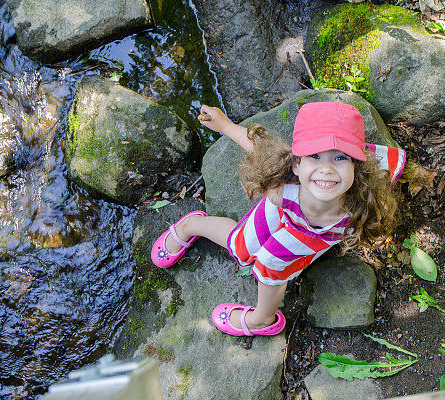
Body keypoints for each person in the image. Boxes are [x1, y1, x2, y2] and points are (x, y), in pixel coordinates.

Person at [150, 101, 405, 337]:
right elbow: (258, 149)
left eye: (340, 158)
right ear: (295, 165)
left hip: (315, 236)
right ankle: (193, 224)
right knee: (242, 244)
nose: (326, 168)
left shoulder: (360, 202)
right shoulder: (282, 187)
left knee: (270, 263)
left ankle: (262, 319)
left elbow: (376, 220)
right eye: (314, 156)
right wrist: (225, 126)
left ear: (357, 168)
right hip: (284, 211)